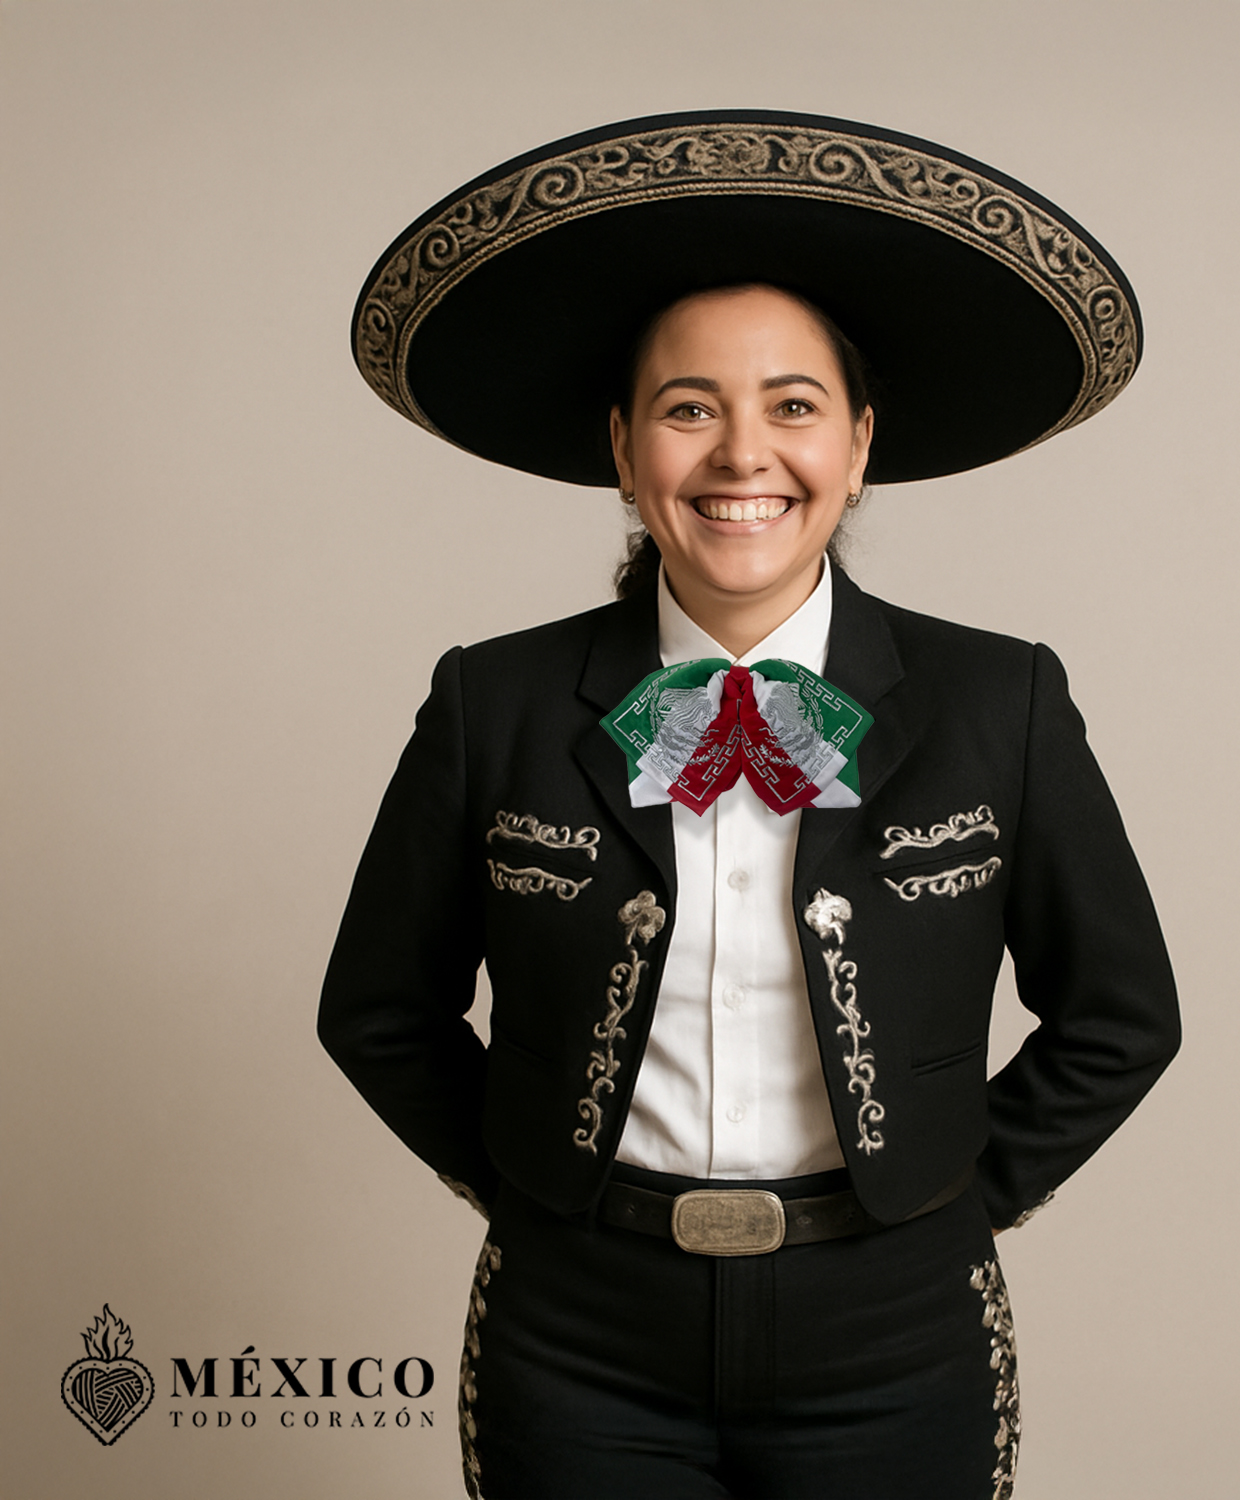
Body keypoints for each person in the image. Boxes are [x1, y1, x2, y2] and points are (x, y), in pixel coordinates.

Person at [320, 110, 1180, 1500]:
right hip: (580, 1339)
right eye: (686, 407)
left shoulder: (994, 701)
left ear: (857, 443)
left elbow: (1124, 1014)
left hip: (895, 1337)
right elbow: (375, 1007)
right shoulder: (497, 702)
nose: (741, 456)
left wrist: (947, 1209)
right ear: (623, 448)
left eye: (791, 405)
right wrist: (542, 1187)